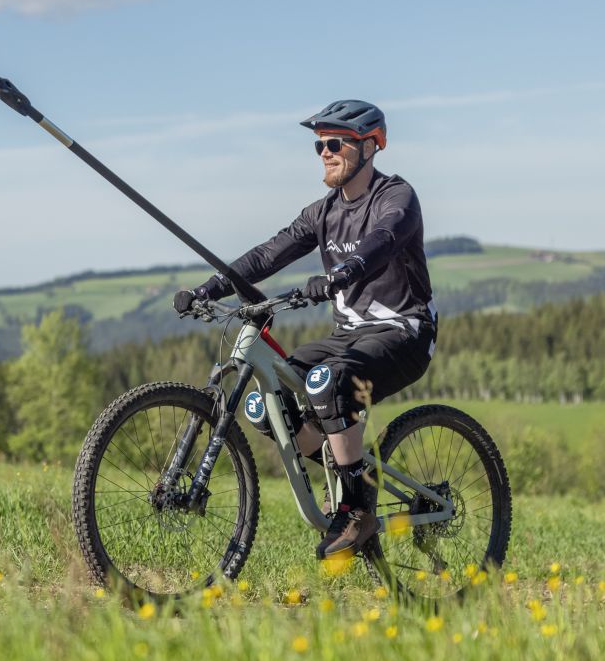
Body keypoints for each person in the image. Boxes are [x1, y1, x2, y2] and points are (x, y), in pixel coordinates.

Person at [172, 100, 435, 561]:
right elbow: (267, 254)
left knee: (329, 382)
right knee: (265, 406)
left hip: (403, 332)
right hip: (348, 337)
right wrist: (210, 288)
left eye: (335, 144)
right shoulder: (322, 212)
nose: (324, 154)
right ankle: (354, 477)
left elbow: (383, 242)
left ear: (371, 146)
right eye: (319, 146)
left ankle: (355, 510)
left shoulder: (396, 197)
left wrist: (341, 273)